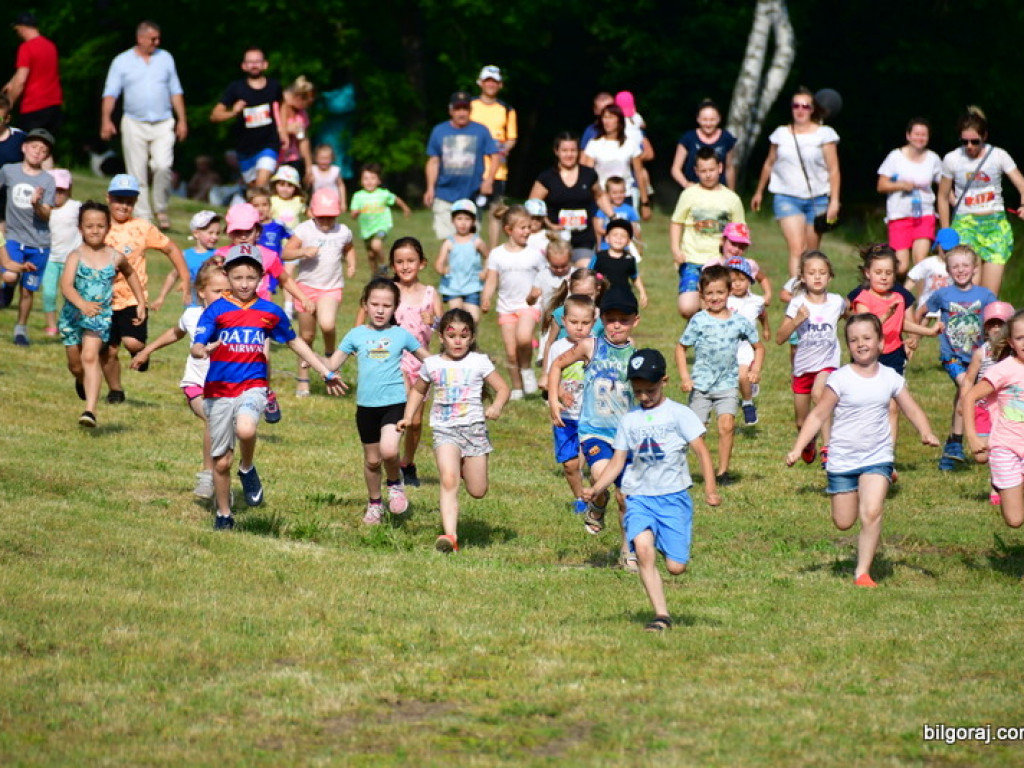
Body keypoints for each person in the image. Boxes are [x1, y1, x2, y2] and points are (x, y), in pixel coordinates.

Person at [191, 244, 337, 530]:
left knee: (246, 429)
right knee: (221, 463)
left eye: (250, 277)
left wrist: (324, 370)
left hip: (253, 386)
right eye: (237, 277)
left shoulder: (269, 311)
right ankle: (224, 513)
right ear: (227, 276)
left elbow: (295, 342)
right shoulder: (215, 310)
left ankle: (247, 468)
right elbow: (198, 343)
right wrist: (201, 350)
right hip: (219, 390)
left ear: (261, 277)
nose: (244, 284)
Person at [787, 314, 940, 587]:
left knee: (871, 511)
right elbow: (818, 416)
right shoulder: (840, 379)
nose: (861, 344)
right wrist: (798, 448)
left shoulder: (890, 378)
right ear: (848, 345)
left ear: (881, 343)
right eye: (854, 340)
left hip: (877, 456)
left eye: (867, 338)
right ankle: (856, 489)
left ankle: (862, 572)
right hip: (843, 458)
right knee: (844, 522)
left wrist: (925, 431)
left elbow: (911, 408)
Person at [583, 348, 720, 631]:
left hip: (673, 498)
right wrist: (596, 488)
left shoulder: (679, 414)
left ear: (664, 381)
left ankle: (667, 541)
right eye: (638, 391)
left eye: (650, 390)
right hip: (640, 498)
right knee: (644, 552)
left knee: (675, 567)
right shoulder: (629, 419)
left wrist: (710, 489)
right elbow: (617, 462)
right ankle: (661, 615)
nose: (644, 397)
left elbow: (702, 453)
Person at [397, 308, 510, 552]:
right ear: (441, 337)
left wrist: (497, 406)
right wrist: (408, 416)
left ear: (471, 338)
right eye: (451, 335)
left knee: (478, 490)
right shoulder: (432, 364)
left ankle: (462, 466)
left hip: (474, 432)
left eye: (463, 335)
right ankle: (450, 537)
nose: (457, 341)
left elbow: (503, 388)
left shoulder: (479, 361)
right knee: (448, 480)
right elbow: (418, 390)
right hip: (445, 431)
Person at [325, 278, 430, 524]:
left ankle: (395, 484)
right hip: (366, 408)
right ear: (365, 305)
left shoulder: (400, 335)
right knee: (372, 461)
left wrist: (453, 366)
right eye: (375, 304)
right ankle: (374, 503)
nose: (380, 310)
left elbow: (428, 358)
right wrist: (315, 362)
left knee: (390, 450)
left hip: (394, 403)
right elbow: (333, 363)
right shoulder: (356, 335)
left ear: (395, 308)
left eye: (386, 305)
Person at [547, 290, 639, 569]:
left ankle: (628, 551)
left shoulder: (635, 354)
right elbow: (558, 364)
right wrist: (553, 397)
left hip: (624, 436)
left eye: (623, 321)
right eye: (610, 320)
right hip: (595, 431)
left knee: (626, 499)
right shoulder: (590, 346)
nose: (616, 326)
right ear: (603, 319)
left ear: (635, 321)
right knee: (600, 476)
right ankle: (598, 501)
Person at [130, 260, 230, 500]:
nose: (224, 297)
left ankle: (222, 479)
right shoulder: (193, 315)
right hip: (196, 385)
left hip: (225, 387)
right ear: (202, 292)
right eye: (218, 292)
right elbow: (174, 332)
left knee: (224, 427)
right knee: (213, 418)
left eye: (228, 292)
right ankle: (207, 476)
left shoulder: (235, 320)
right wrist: (146, 351)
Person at [99, 174, 189, 403]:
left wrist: (185, 277)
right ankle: (116, 390)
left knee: (132, 342)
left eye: (129, 201)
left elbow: (171, 249)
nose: (123, 205)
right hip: (102, 299)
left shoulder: (142, 228)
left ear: (136, 201)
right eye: (119, 199)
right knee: (107, 351)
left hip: (133, 299)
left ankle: (141, 352)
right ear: (108, 198)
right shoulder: (98, 225)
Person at [59, 201, 146, 428]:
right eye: (89, 226)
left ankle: (90, 411)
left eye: (100, 226)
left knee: (90, 357)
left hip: (98, 317)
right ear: (80, 228)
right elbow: (66, 286)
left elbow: (131, 274)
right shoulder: (75, 256)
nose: (95, 230)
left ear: (108, 228)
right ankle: (81, 379)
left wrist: (141, 302)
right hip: (73, 316)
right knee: (76, 365)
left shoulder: (115, 257)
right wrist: (81, 304)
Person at [676, 265, 764, 485]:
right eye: (710, 293)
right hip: (702, 385)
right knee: (697, 432)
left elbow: (759, 347)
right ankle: (691, 469)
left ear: (729, 291)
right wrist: (686, 377)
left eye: (720, 292)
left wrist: (755, 369)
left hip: (727, 383)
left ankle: (722, 472)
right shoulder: (698, 320)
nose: (715, 298)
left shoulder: (739, 321)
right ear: (702, 294)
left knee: (726, 426)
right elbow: (681, 348)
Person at [100, 20, 187, 229]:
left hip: (163, 121)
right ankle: (144, 218)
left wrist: (182, 120)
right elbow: (111, 93)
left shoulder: (165, 58)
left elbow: (176, 91)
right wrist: (106, 119)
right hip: (134, 122)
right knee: (136, 172)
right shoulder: (121, 61)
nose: (156, 42)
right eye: (152, 38)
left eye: (158, 38)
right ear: (140, 38)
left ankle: (160, 207)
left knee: (163, 165)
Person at [916, 245, 996, 472]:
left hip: (976, 358)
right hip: (952, 357)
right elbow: (921, 311)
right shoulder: (943, 294)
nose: (960, 270)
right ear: (948, 270)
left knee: (962, 398)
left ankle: (952, 449)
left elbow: (999, 320)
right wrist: (917, 334)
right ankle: (960, 442)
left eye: (965, 265)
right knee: (966, 389)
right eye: (955, 266)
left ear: (974, 268)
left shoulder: (985, 295)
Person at [751, 87, 841, 278]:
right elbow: (769, 163)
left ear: (813, 109)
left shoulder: (824, 134)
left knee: (811, 252)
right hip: (786, 196)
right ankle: (795, 293)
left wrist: (834, 201)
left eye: (805, 106)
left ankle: (812, 293)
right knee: (797, 248)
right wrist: (759, 191)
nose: (800, 110)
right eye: (796, 105)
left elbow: (833, 170)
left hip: (817, 198)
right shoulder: (781, 134)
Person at [936, 106, 1024, 296]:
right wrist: (945, 233)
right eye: (964, 141)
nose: (969, 146)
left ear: (984, 136)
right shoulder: (952, 159)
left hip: (995, 227)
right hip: (966, 225)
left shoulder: (999, 156)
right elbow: (942, 197)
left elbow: (1021, 183)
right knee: (968, 293)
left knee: (989, 296)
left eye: (974, 141)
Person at [775, 250, 846, 467]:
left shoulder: (837, 302)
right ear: (803, 278)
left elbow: (855, 320)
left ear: (830, 277)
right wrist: (797, 320)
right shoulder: (797, 304)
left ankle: (828, 447)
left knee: (820, 395)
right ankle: (809, 442)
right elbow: (779, 338)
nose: (817, 277)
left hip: (828, 364)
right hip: (803, 367)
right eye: (812, 273)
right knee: (801, 421)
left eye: (822, 272)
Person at [281, 189, 355, 397]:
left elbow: (349, 247)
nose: (325, 221)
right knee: (306, 336)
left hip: (331, 287)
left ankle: (331, 357)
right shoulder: (304, 230)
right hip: (306, 288)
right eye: (321, 216)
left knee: (328, 323)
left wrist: (351, 264)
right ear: (311, 212)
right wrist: (302, 251)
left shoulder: (343, 231)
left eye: (330, 216)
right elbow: (285, 253)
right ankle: (303, 379)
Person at [389, 238, 442, 488]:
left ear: (422, 263)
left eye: (411, 261)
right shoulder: (388, 291)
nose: (405, 266)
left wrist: (435, 320)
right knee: (401, 414)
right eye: (399, 262)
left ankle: (407, 463)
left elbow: (447, 330)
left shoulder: (430, 294)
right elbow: (368, 315)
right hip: (394, 361)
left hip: (422, 364)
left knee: (417, 421)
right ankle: (390, 460)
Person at [670, 146, 745, 318]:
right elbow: (676, 222)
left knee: (715, 306)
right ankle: (697, 324)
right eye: (703, 171)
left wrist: (735, 256)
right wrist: (676, 250)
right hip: (692, 260)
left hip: (721, 263)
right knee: (687, 307)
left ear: (720, 168)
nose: (708, 174)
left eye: (712, 169)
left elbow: (740, 232)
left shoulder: (732, 198)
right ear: (696, 171)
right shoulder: (689, 194)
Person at [481, 204, 546, 399]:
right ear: (509, 230)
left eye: (528, 227)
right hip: (505, 308)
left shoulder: (534, 254)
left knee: (524, 338)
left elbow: (543, 278)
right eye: (523, 227)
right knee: (510, 352)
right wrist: (486, 297)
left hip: (529, 305)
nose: (528, 231)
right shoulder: (497, 254)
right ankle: (517, 388)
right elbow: (492, 280)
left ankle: (526, 369)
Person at [1, 127, 55, 346]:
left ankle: (20, 329)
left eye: (43, 150)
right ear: (24, 148)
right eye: (34, 147)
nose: (37, 152)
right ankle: (8, 285)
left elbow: (47, 214)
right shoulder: (8, 170)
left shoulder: (48, 181)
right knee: (11, 276)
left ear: (47, 155)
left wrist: (36, 204)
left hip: (39, 243)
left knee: (28, 290)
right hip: (13, 236)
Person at [528, 133, 614, 266]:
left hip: (584, 238)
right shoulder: (547, 178)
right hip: (554, 239)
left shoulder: (588, 174)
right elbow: (532, 206)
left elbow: (600, 195)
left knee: (586, 270)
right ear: (556, 152)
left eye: (573, 150)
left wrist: (613, 217)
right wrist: (550, 225)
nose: (569, 155)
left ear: (578, 152)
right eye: (564, 150)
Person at [545, 293, 596, 515]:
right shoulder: (558, 348)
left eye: (585, 323)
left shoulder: (597, 346)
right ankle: (579, 498)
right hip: (566, 417)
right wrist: (559, 392)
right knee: (569, 465)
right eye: (574, 322)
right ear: (564, 322)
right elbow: (551, 377)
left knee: (595, 462)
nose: (579, 328)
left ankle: (594, 495)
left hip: (592, 416)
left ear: (593, 323)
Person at [424, 90, 498, 240]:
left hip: (471, 195)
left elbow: (495, 156)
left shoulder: (481, 130)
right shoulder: (439, 131)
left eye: (465, 109)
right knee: (448, 241)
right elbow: (433, 161)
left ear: (470, 110)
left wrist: (489, 180)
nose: (461, 113)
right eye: (458, 109)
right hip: (445, 195)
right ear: (450, 110)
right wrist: (430, 188)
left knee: (469, 243)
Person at [961, 301, 1014, 505]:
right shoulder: (981, 353)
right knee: (982, 455)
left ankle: (997, 485)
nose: (996, 329)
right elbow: (968, 379)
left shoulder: (1015, 354)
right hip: (982, 408)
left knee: (1003, 447)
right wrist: (964, 399)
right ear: (985, 328)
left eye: (1000, 324)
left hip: (1005, 409)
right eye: (991, 324)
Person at [876, 118, 943, 276]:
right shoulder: (895, 156)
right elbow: (881, 185)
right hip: (899, 215)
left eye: (924, 135)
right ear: (908, 136)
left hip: (924, 214)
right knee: (901, 267)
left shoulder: (933, 158)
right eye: (916, 134)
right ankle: (899, 295)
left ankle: (922, 300)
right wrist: (901, 185)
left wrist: (956, 202)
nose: (920, 138)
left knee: (920, 261)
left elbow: (944, 187)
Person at [209, 47, 284, 189]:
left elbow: (283, 107)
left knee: (261, 184)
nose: (254, 65)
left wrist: (283, 130)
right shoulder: (236, 88)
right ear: (243, 66)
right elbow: (214, 116)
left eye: (257, 61)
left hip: (269, 144)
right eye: (250, 62)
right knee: (254, 190)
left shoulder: (274, 86)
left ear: (265, 64)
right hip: (245, 149)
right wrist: (233, 112)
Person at [470, 65, 517, 249]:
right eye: (487, 80)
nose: (491, 84)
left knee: (496, 213)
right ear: (480, 83)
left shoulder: (506, 109)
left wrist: (503, 149)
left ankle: (493, 254)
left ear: (500, 85)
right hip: (474, 169)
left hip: (498, 171)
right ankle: (471, 248)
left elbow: (512, 138)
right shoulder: (471, 106)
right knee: (472, 213)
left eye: (494, 81)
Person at [580, 104, 650, 215]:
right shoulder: (594, 144)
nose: (607, 121)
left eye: (611, 117)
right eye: (605, 117)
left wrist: (645, 202)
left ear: (619, 120)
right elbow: (588, 174)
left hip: (624, 196)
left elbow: (639, 173)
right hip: (600, 197)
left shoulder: (630, 144)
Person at [726, 257, 771, 426]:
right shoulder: (724, 300)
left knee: (742, 375)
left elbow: (763, 315)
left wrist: (766, 329)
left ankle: (747, 404)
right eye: (732, 281)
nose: (737, 284)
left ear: (750, 281)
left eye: (741, 280)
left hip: (745, 347)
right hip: (727, 346)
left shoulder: (756, 301)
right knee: (732, 381)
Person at [2, 12, 62, 136]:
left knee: (27, 148)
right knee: (45, 149)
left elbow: (21, 80)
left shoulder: (26, 48)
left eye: (17, 29)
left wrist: (9, 104)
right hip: (54, 106)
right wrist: (11, 82)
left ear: (22, 27)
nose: (18, 33)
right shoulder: (51, 46)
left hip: (34, 108)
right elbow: (37, 70)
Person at [349, 162, 410, 276]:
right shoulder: (358, 196)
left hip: (381, 226)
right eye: (366, 178)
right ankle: (375, 275)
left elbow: (396, 199)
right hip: (366, 230)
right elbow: (352, 214)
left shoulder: (383, 194)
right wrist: (355, 213)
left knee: (376, 244)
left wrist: (405, 208)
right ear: (361, 181)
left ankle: (383, 264)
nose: (369, 181)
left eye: (373, 178)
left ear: (379, 180)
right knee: (371, 255)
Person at [152, 210, 221, 309]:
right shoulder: (186, 255)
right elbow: (173, 276)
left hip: (213, 305)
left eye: (217, 233)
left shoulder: (218, 255)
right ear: (196, 233)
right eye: (210, 233)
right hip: (193, 306)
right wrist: (161, 297)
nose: (215, 237)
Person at [40, 168, 79, 337]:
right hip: (50, 259)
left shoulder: (76, 207)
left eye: (62, 190)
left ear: (69, 189)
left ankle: (71, 324)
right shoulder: (43, 209)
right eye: (53, 190)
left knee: (70, 294)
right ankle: (51, 325)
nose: (57, 194)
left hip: (70, 260)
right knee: (48, 293)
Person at [436, 198, 487, 322]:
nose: (463, 223)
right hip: (453, 285)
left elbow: (490, 257)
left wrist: (485, 271)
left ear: (474, 221)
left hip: (472, 285)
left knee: (474, 319)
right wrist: (442, 269)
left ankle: (470, 341)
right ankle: (457, 340)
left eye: (467, 219)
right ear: (453, 221)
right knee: (456, 316)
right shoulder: (449, 242)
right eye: (459, 219)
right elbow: (439, 262)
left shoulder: (477, 241)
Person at [670, 99, 737, 190]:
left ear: (719, 119)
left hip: (719, 191)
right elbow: (675, 169)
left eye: (712, 120)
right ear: (698, 119)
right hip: (694, 190)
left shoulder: (726, 138)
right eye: (705, 120)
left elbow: (729, 168)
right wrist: (686, 184)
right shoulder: (688, 138)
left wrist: (731, 193)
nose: (708, 124)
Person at [590, 219, 647, 307]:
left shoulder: (630, 259)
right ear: (607, 238)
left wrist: (642, 292)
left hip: (623, 298)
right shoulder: (599, 257)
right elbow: (587, 274)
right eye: (615, 235)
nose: (619, 238)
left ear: (628, 241)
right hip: (602, 298)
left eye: (623, 236)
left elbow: (635, 276)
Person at [278, 76, 314, 182]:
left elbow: (303, 139)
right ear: (298, 97)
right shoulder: (276, 108)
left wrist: (308, 166)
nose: (306, 106)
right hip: (275, 156)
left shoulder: (302, 115)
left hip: (293, 158)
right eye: (306, 102)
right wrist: (287, 129)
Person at [592, 176, 641, 253]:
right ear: (607, 194)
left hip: (625, 248)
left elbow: (635, 229)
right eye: (614, 193)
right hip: (606, 247)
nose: (618, 195)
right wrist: (614, 233)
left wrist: (639, 246)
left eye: (621, 192)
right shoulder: (603, 210)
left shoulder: (630, 210)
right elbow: (598, 228)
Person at [310, 144, 348, 210]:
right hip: (317, 201)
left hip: (332, 202)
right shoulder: (313, 170)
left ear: (332, 159)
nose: (324, 161)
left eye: (327, 158)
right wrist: (309, 180)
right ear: (316, 158)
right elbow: (306, 185)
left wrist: (343, 202)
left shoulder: (335, 171)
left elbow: (341, 185)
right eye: (322, 158)